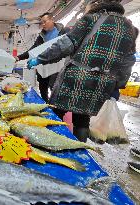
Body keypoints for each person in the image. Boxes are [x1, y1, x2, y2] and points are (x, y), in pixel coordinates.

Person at [27, 0, 138, 142]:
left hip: (77, 77)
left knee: (56, 112)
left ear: (96, 5)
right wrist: (117, 85)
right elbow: (128, 60)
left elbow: (66, 44)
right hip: (103, 83)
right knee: (82, 120)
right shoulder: (130, 28)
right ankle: (80, 151)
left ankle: (52, 144)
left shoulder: (91, 18)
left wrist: (40, 58)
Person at [15, 12, 67, 102]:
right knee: (43, 91)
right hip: (43, 67)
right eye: (41, 23)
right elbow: (33, 50)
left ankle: (56, 110)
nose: (43, 24)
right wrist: (18, 57)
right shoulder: (42, 35)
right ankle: (45, 107)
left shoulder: (63, 32)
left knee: (55, 91)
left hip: (57, 68)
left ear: (52, 20)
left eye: (44, 22)